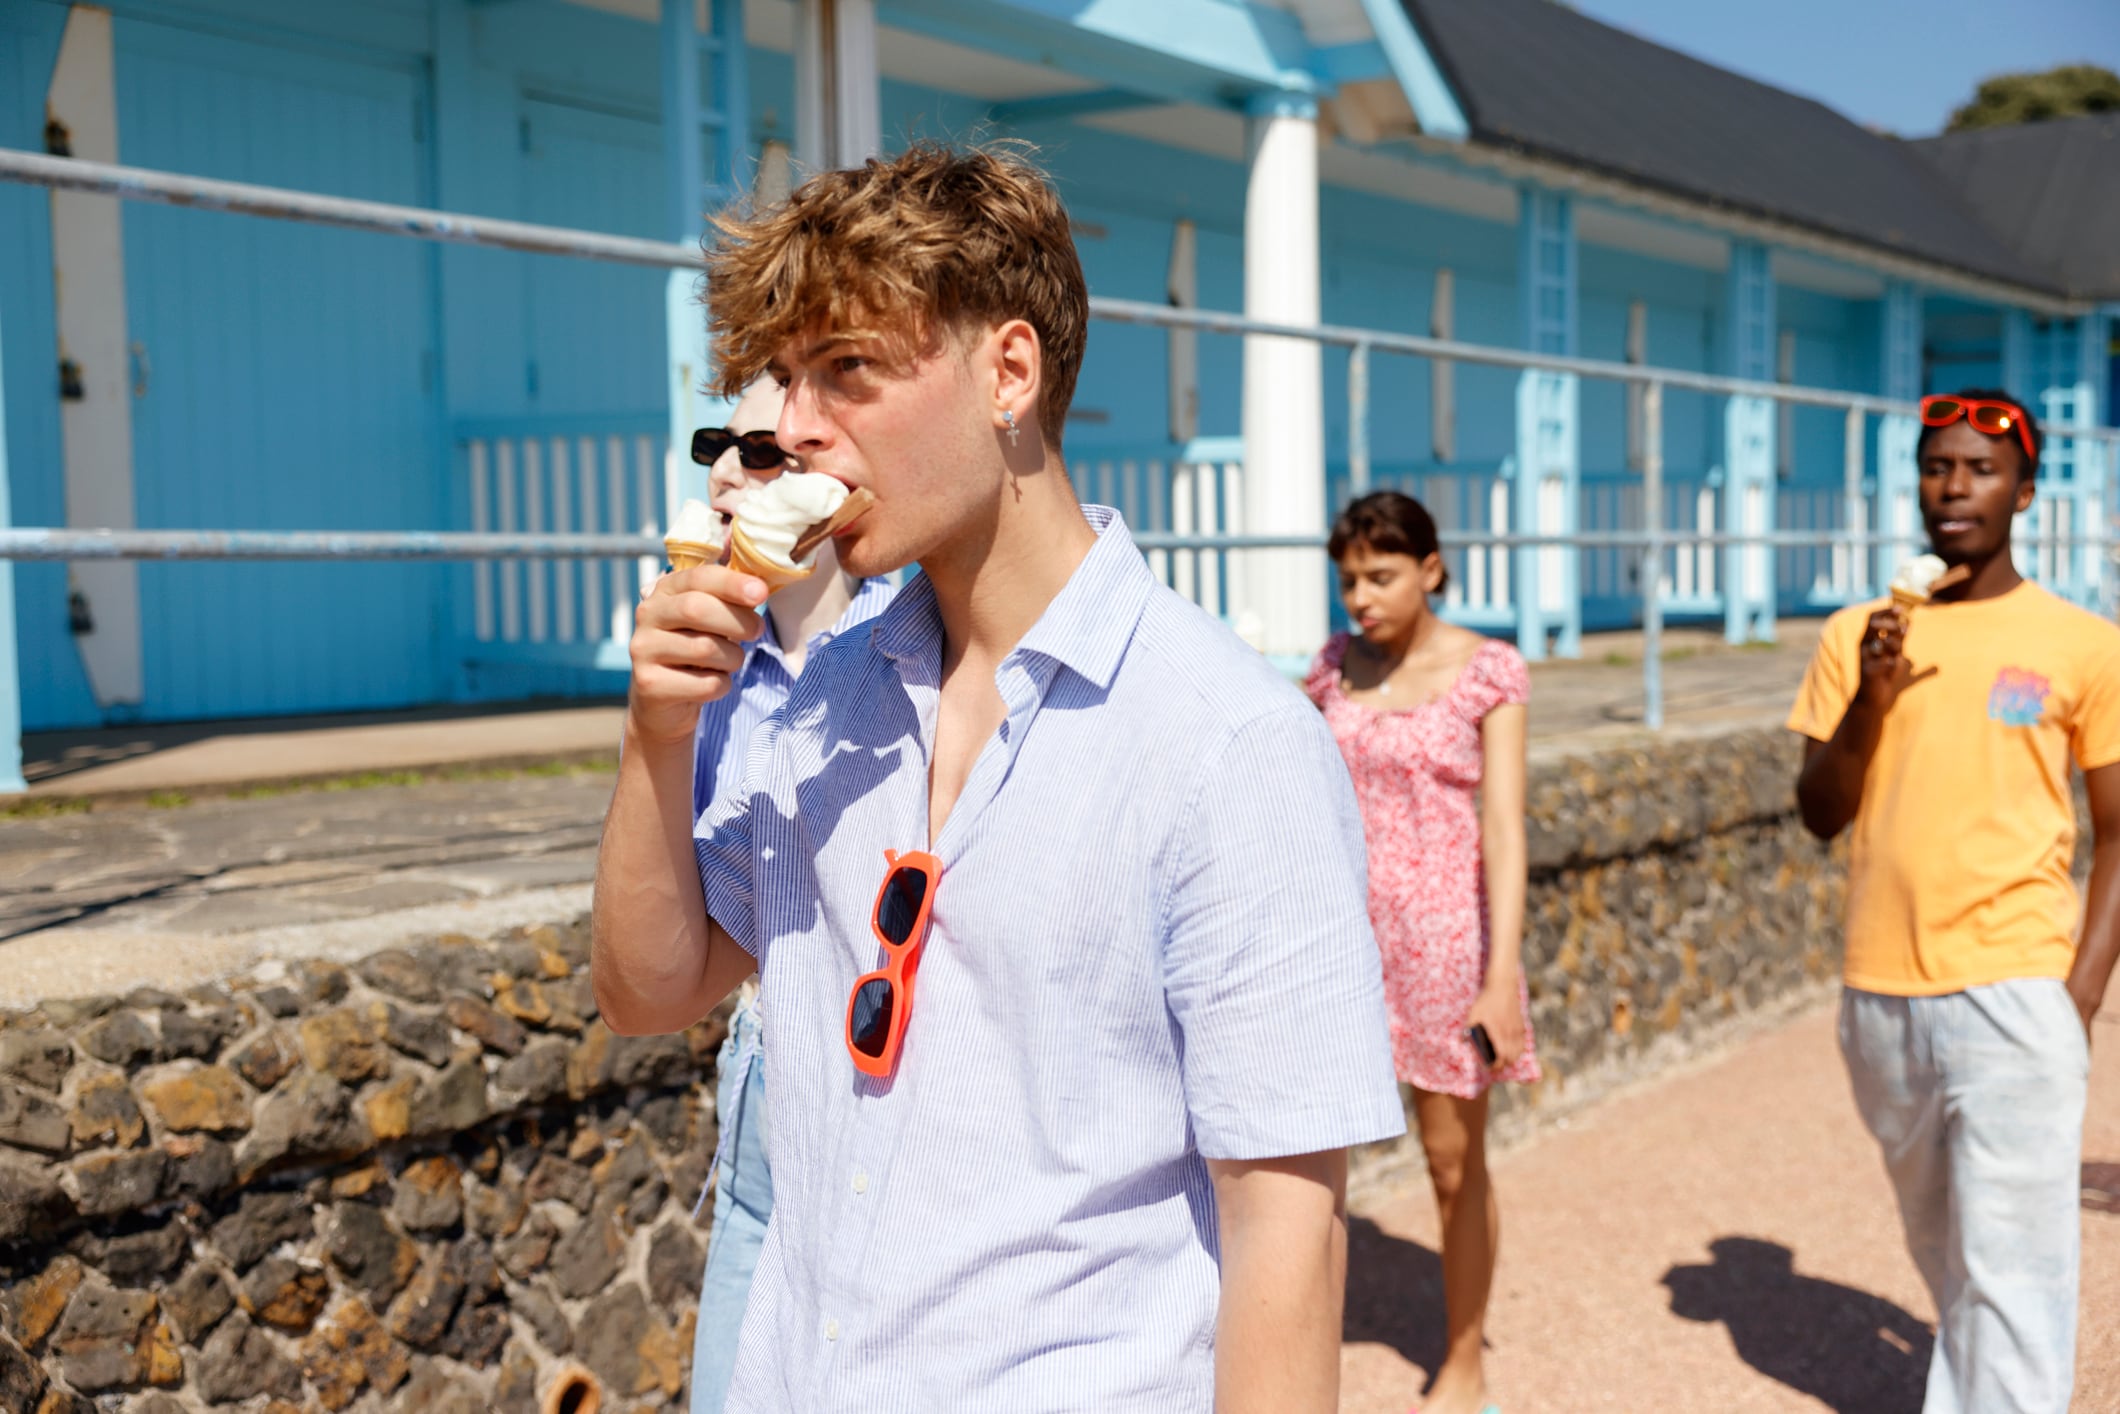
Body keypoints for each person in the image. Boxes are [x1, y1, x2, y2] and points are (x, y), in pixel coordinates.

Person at [591, 142, 1403, 1413]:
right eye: (783, 376)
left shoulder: (1223, 742)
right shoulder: (822, 693)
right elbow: (650, 990)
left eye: (846, 369)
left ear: (1006, 371)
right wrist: (657, 737)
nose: (792, 427)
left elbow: (1284, 1238)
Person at [1789, 387, 2120, 1414]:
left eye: (1978, 468)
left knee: (2013, 1275)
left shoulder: (2080, 643)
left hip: (2013, 990)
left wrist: (2073, 999)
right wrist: (1868, 704)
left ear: (2023, 489)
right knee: (1951, 1261)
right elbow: (1818, 812)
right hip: (1876, 999)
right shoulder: (1859, 632)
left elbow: (2118, 833)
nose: (1952, 487)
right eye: (1936, 466)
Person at [681, 377, 896, 1414]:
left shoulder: (926, 655)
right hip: (761, 1069)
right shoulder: (723, 670)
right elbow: (664, 965)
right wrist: (653, 726)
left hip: (894, 1090)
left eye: (760, 452)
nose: (724, 470)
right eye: (716, 445)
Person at [1304, 490, 1536, 1414]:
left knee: (1452, 1164)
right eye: (1350, 578)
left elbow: (1507, 830)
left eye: (1382, 575)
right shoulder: (1330, 669)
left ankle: (1465, 1357)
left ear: (1431, 569)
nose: (1361, 596)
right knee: (1310, 1163)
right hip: (1341, 950)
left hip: (1447, 952)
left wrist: (1498, 984)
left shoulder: (1489, 670)